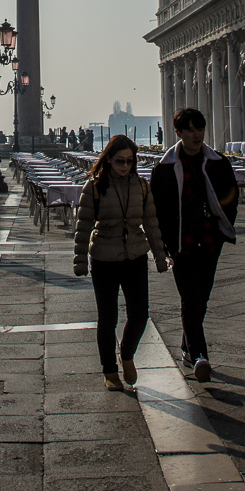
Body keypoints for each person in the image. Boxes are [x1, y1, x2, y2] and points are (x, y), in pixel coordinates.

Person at [73, 134, 168, 391]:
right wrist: (80, 260)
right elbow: (83, 227)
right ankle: (109, 371)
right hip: (104, 258)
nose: (125, 166)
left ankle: (126, 354)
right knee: (108, 318)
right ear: (108, 160)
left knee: (140, 315)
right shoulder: (94, 187)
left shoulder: (142, 186)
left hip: (135, 256)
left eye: (129, 161)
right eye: (119, 161)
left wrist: (160, 256)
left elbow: (151, 223)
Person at [151, 107, 238, 383]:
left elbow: (230, 196)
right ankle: (200, 356)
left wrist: (223, 227)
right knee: (190, 298)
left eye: (199, 129)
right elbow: (157, 209)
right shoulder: (164, 169)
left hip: (210, 240)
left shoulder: (218, 163)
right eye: (189, 130)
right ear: (178, 133)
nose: (196, 134)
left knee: (202, 298)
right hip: (180, 242)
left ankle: (188, 347)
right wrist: (164, 242)